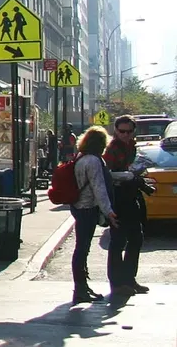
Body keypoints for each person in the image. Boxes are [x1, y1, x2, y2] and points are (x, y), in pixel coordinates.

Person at [69, 126, 118, 304]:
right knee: (82, 249)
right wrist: (108, 211)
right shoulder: (93, 161)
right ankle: (80, 289)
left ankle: (82, 287)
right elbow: (99, 188)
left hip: (77, 206)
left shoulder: (80, 157)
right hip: (87, 207)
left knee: (82, 248)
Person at [104, 115, 149, 296]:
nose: (125, 134)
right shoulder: (111, 148)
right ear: (116, 130)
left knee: (136, 238)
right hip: (117, 198)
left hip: (131, 196)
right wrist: (124, 175)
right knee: (117, 241)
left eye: (129, 131)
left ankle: (129, 279)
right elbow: (106, 174)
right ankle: (117, 283)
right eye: (122, 131)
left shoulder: (132, 146)